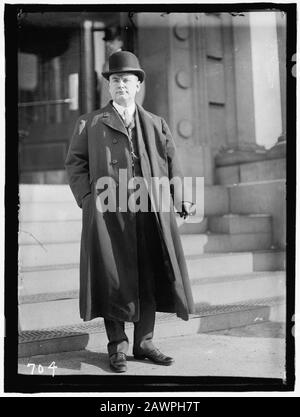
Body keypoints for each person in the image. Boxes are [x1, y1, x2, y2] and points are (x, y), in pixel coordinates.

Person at [65, 51, 195, 373]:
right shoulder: (89, 123)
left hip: (150, 211)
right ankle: (117, 347)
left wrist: (182, 198)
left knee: (149, 273)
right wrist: (87, 198)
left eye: (127, 80)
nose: (121, 85)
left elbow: (171, 164)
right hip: (109, 213)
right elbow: (75, 164)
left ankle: (145, 342)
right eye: (115, 80)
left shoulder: (155, 123)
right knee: (113, 277)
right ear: (109, 87)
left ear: (138, 85)